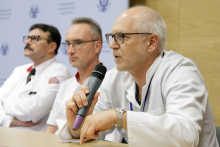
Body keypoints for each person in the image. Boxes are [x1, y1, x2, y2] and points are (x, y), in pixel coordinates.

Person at [60, 6, 219, 147]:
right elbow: (90, 133)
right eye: (112, 36)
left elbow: (185, 136)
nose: (112, 45)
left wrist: (119, 117)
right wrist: (78, 125)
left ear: (151, 42)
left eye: (121, 37)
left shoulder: (181, 71)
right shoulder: (113, 78)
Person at [0, 23, 71, 132]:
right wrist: (9, 121)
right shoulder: (19, 70)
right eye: (27, 38)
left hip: (32, 140)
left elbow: (33, 111)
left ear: (52, 46)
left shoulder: (60, 72)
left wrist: (5, 103)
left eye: (35, 39)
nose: (27, 42)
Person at [45, 17, 104, 135]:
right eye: (68, 44)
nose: (70, 50)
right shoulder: (65, 85)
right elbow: (51, 130)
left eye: (78, 43)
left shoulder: (111, 83)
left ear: (97, 46)